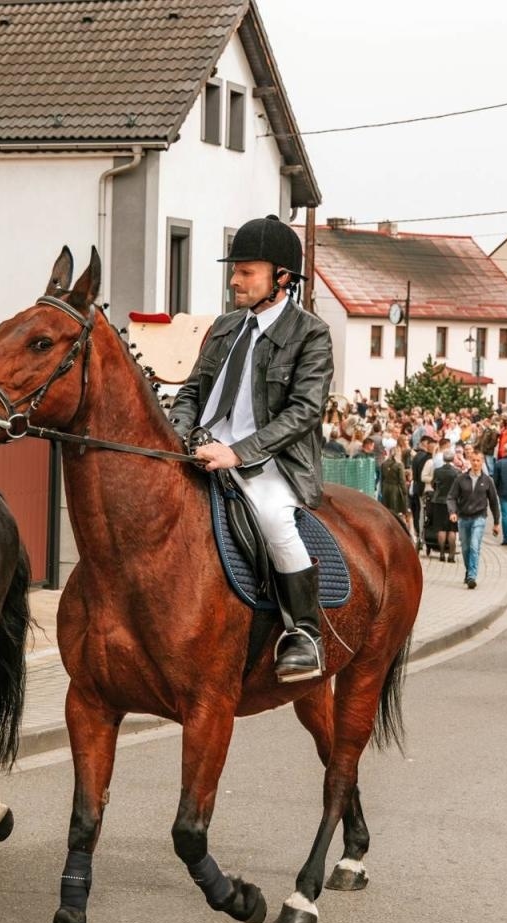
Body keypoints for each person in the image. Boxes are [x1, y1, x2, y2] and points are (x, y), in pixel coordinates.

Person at [168, 214, 332, 683]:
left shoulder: (311, 335)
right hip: (203, 449)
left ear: (281, 278)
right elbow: (191, 393)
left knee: (274, 518)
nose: (234, 280)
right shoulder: (224, 327)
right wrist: (181, 432)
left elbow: (304, 412)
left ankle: (304, 633)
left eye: (246, 271)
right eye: (234, 269)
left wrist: (237, 452)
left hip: (270, 463)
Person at [447, 451, 501, 589]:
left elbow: (494, 502)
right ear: (470, 461)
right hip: (463, 518)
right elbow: (451, 497)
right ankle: (468, 570)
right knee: (465, 548)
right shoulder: (461, 479)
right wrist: (452, 512)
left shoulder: (487, 481)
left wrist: (496, 523)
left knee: (474, 546)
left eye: (478, 460)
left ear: (482, 462)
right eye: (474, 460)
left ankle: (472, 576)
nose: (476, 463)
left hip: (479, 517)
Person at [430, 445, 461, 562]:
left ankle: (442, 553)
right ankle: (451, 555)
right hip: (452, 503)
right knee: (452, 529)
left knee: (441, 528)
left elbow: (433, 484)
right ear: (453, 459)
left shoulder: (438, 471)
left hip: (438, 501)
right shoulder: (456, 472)